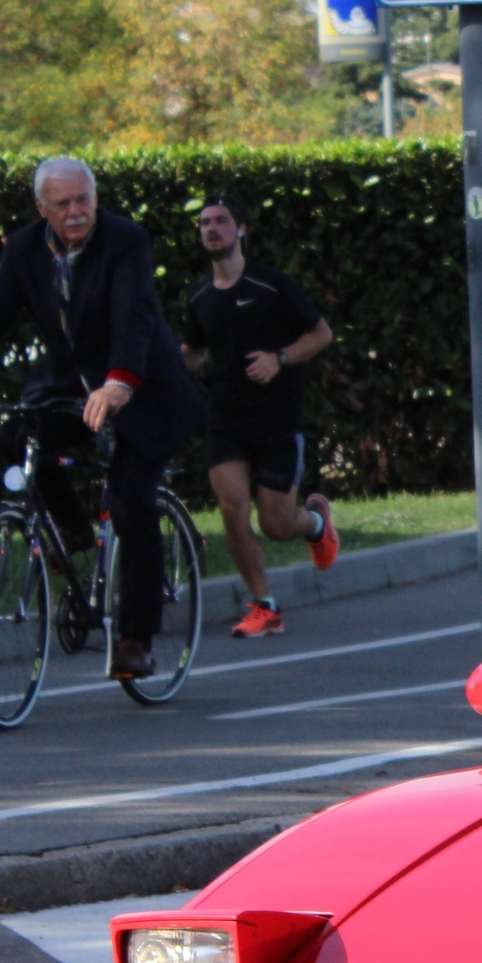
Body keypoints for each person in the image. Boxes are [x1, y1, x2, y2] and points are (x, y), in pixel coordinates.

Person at [0, 157, 203, 680]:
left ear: (95, 199)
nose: (76, 213)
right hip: (70, 386)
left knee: (129, 500)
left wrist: (120, 381)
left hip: (143, 387)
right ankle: (70, 534)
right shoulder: (25, 249)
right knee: (16, 437)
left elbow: (133, 315)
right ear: (41, 208)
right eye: (63, 204)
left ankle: (136, 639)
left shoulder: (126, 242)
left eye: (84, 201)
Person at [182, 194, 339, 638]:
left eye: (221, 221)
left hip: (276, 419)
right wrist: (165, 368)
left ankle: (315, 523)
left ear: (241, 230)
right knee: (232, 509)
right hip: (225, 419)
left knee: (275, 523)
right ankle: (264, 605)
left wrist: (280, 359)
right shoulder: (199, 296)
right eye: (205, 223)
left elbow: (321, 334)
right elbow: (194, 352)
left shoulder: (271, 285)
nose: (211, 228)